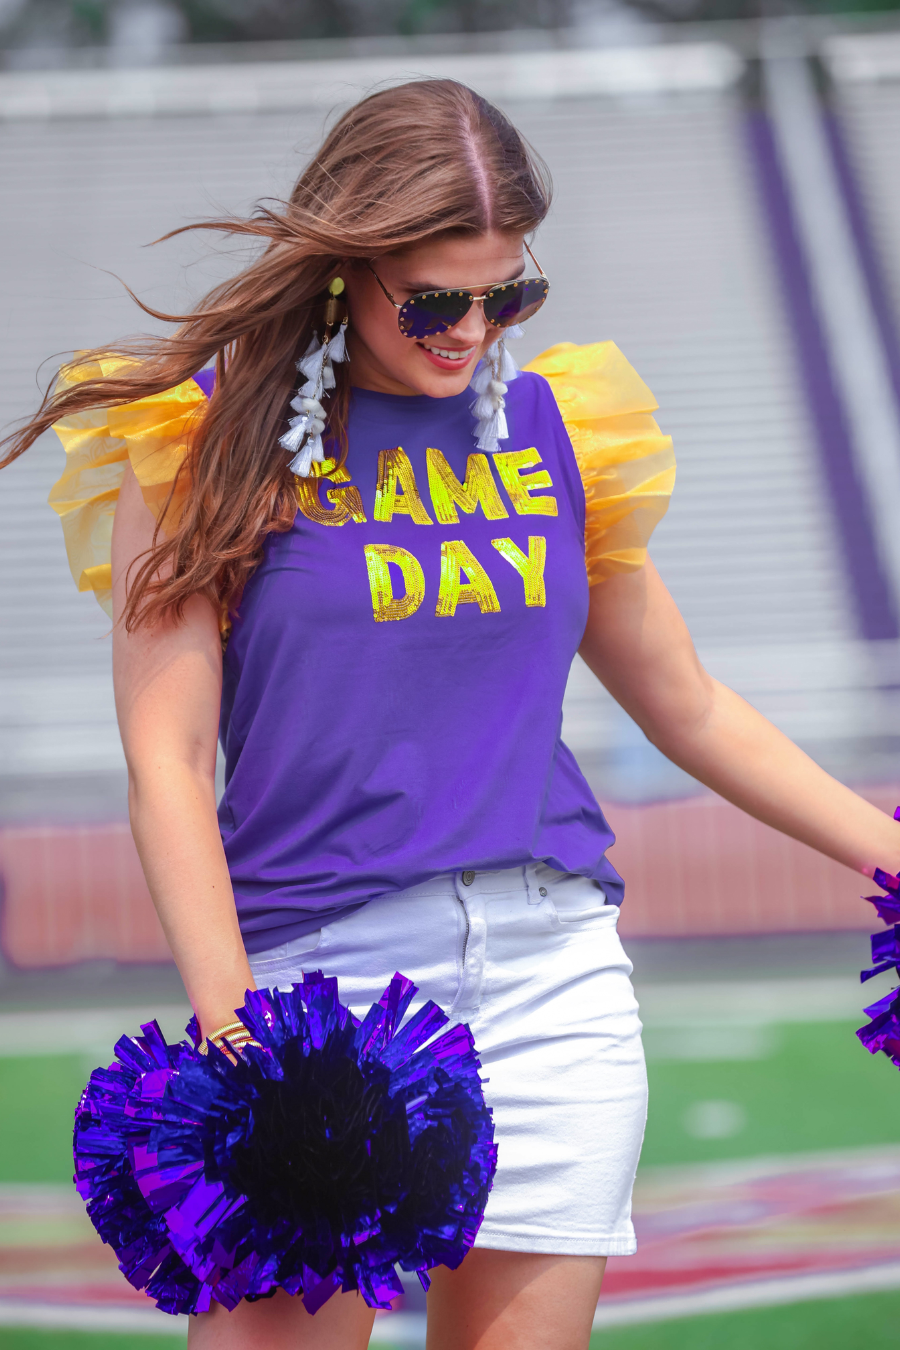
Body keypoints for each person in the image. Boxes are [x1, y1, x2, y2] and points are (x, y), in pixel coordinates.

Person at [2, 77, 898, 1350]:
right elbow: (168, 760)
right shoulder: (196, 446)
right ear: (343, 266)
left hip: (556, 978)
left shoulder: (561, 426)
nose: (471, 328)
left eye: (507, 293)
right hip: (321, 988)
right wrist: (235, 1039)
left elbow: (688, 704)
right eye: (432, 297)